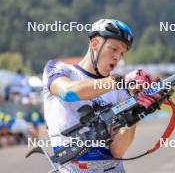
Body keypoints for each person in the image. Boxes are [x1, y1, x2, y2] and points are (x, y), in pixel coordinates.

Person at [43, 19, 161, 173]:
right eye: (114, 49)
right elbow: (69, 92)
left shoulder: (120, 90)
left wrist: (135, 115)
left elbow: (117, 151)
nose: (117, 57)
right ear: (95, 44)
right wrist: (118, 81)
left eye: (122, 53)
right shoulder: (59, 69)